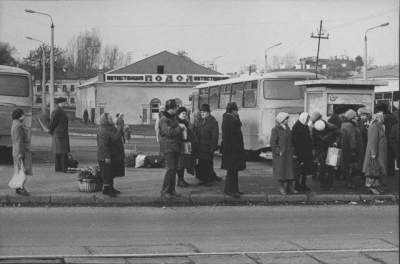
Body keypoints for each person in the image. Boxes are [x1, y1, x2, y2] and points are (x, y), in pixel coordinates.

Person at [158, 99, 185, 199]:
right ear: (172, 109)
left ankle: (171, 190)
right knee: (170, 169)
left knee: (173, 169)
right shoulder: (163, 119)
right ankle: (165, 191)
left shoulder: (173, 118)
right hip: (169, 148)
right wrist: (180, 128)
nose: (177, 109)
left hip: (175, 147)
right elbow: (169, 132)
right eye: (176, 108)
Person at [97, 113, 125, 197]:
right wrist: (107, 157)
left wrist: (120, 128)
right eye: (109, 118)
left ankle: (111, 188)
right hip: (105, 156)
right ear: (105, 120)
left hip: (113, 154)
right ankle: (107, 189)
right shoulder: (103, 130)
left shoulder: (111, 128)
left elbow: (116, 137)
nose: (111, 119)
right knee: (107, 173)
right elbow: (103, 145)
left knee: (111, 172)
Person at [221, 102, 246, 198]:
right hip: (232, 149)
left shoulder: (229, 118)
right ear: (233, 110)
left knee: (233, 171)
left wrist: (237, 117)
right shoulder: (230, 120)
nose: (237, 112)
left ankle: (232, 189)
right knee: (232, 171)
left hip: (230, 149)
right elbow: (234, 133)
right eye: (236, 110)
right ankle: (231, 190)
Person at [270, 112, 297, 195]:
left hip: (288, 153)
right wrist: (278, 151)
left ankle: (290, 187)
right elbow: (273, 142)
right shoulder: (275, 129)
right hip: (281, 154)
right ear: (281, 120)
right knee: (280, 171)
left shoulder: (287, 128)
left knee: (289, 171)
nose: (287, 120)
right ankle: (281, 188)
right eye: (286, 119)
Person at [312, 115, 341, 191]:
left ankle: (329, 184)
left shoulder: (332, 127)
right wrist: (315, 150)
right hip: (321, 148)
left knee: (331, 168)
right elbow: (314, 140)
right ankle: (323, 184)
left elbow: (339, 135)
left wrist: (336, 142)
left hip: (332, 148)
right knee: (322, 167)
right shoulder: (315, 128)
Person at [193, 104, 219, 186]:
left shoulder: (213, 122)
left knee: (207, 163)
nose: (202, 113)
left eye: (204, 112)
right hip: (200, 146)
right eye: (201, 112)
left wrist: (213, 147)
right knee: (201, 163)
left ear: (208, 112)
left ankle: (207, 180)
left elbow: (215, 136)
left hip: (207, 147)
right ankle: (202, 178)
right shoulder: (199, 120)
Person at [363, 112, 387, 194]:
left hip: (378, 153)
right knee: (373, 169)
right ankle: (372, 187)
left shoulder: (378, 126)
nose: (383, 118)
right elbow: (373, 140)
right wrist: (373, 153)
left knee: (377, 170)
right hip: (376, 153)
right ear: (378, 118)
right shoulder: (375, 126)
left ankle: (376, 186)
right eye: (382, 117)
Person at [340, 109, 363, 189]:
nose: (356, 118)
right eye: (355, 116)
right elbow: (352, 138)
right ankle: (350, 183)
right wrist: (354, 150)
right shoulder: (350, 125)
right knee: (351, 166)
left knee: (347, 165)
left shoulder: (344, 124)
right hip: (351, 149)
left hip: (345, 148)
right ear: (351, 117)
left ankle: (348, 182)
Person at [10, 109, 31, 196]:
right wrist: (20, 153)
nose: (24, 116)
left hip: (16, 150)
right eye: (23, 115)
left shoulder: (15, 124)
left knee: (18, 170)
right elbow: (19, 141)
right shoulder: (19, 126)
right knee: (22, 170)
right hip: (19, 151)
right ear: (19, 116)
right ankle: (20, 188)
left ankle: (18, 187)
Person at [291, 112, 313, 192]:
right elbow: (295, 141)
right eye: (307, 119)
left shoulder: (304, 126)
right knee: (299, 170)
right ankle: (297, 185)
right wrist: (296, 153)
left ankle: (303, 184)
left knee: (304, 170)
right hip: (300, 153)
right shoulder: (297, 127)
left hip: (306, 152)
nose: (308, 120)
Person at [49, 97, 70, 173]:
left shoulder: (60, 110)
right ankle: (63, 168)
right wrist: (51, 131)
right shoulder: (57, 111)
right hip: (59, 134)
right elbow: (53, 123)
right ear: (60, 103)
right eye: (64, 102)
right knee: (62, 152)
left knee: (60, 152)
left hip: (61, 133)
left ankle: (60, 168)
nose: (65, 103)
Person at [376, 103, 397, 177]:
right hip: (393, 138)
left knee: (385, 155)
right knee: (391, 156)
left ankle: (385, 171)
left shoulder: (383, 117)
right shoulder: (393, 116)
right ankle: (391, 171)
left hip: (385, 138)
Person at [176, 106, 195, 187]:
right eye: (183, 113)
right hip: (180, 145)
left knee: (184, 163)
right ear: (179, 114)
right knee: (180, 164)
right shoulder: (177, 122)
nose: (184, 115)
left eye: (185, 113)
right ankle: (180, 180)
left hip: (186, 145)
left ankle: (182, 179)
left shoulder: (185, 122)